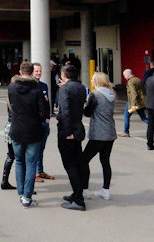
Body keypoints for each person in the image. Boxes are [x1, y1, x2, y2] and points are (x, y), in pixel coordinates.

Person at [8, 62, 49, 208]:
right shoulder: (36, 90)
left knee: (19, 161)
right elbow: (43, 113)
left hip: (17, 130)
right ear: (32, 73)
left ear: (20, 71)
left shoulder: (11, 87)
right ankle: (27, 196)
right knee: (31, 163)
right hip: (33, 131)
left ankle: (21, 193)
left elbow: (11, 106)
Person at [81, 72, 117, 201]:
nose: (91, 80)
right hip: (110, 133)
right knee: (105, 161)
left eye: (92, 79)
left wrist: (84, 104)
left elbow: (87, 113)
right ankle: (105, 190)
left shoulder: (95, 95)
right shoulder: (112, 94)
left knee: (84, 160)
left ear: (97, 81)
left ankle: (85, 190)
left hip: (98, 133)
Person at [57, 64, 87, 211]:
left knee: (70, 165)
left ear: (63, 74)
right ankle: (77, 193)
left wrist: (67, 132)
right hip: (78, 129)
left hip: (68, 131)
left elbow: (65, 112)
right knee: (77, 163)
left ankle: (79, 200)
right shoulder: (81, 87)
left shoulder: (64, 89)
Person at [32, 63, 55, 182]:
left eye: (40, 71)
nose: (39, 73)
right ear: (31, 72)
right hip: (34, 124)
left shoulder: (44, 86)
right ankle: (34, 172)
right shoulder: (30, 86)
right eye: (36, 71)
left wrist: (48, 117)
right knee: (34, 149)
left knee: (41, 148)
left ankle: (40, 170)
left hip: (44, 123)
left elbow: (47, 103)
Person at [120, 69, 149, 137]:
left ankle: (126, 132)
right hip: (141, 102)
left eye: (124, 75)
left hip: (133, 103)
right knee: (143, 117)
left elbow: (134, 93)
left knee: (126, 116)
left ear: (128, 75)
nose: (124, 77)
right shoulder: (138, 79)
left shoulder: (130, 82)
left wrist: (133, 105)